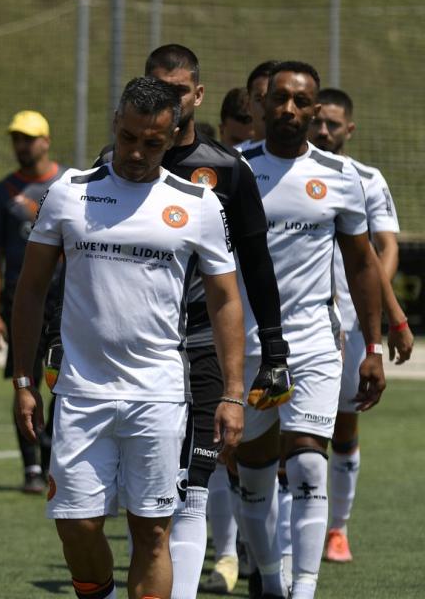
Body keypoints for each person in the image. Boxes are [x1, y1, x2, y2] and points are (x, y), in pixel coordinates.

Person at [13, 75, 246, 599]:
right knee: (77, 525)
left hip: (159, 395)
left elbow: (226, 301)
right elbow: (30, 291)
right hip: (80, 393)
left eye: (153, 142)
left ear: (174, 136)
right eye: (129, 137)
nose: (137, 152)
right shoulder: (69, 192)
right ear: (116, 123)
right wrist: (24, 379)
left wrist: (233, 393)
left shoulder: (199, 204)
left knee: (153, 532)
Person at [107, 45, 289, 599]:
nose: (168, 99)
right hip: (132, 355)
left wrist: (274, 350)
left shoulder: (228, 171)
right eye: (157, 87)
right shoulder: (114, 163)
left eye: (179, 90)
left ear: (198, 95)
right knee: (139, 496)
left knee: (191, 488)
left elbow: (256, 265)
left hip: (203, 344)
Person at [234, 62, 386, 599]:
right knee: (253, 477)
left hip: (316, 342)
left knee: (306, 464)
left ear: (314, 109)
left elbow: (362, 265)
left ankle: (303, 589)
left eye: (301, 101)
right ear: (262, 103)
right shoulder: (234, 170)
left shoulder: (341, 177)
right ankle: (269, 578)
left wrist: (372, 345)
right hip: (247, 345)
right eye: (280, 98)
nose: (290, 109)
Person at [308, 87, 413, 564]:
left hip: (350, 323)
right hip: (299, 321)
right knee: (291, 430)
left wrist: (381, 306)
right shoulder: (291, 172)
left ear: (349, 129)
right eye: (318, 121)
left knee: (345, 423)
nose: (323, 130)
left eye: (332, 124)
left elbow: (384, 248)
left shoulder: (367, 179)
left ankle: (338, 529)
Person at [0, 109, 66, 494]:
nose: (22, 145)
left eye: (29, 138)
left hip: (65, 300)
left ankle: (52, 461)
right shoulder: (2, 193)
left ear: (46, 141)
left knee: (64, 385)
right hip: (22, 300)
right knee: (24, 381)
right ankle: (31, 467)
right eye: (17, 138)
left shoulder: (68, 185)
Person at [246, 61, 277, 142]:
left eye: (275, 98)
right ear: (248, 105)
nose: (266, 105)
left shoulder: (309, 150)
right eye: (259, 99)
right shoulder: (234, 151)